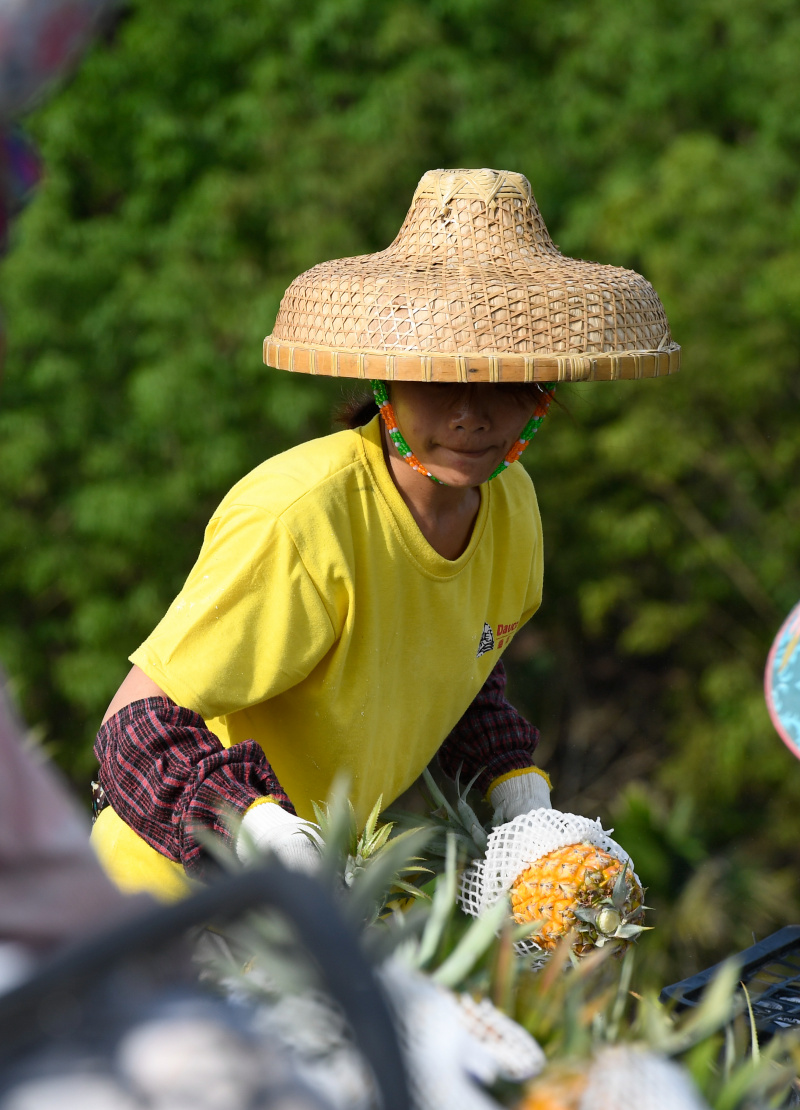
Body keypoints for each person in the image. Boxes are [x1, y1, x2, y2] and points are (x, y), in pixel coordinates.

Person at [91, 168, 679, 901]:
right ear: (385, 382)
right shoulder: (302, 517)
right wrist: (262, 830)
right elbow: (132, 727)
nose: (472, 415)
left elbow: (458, 676)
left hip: (321, 908)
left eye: (504, 383)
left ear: (545, 393)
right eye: (440, 379)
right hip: (164, 898)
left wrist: (521, 802)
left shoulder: (513, 506)